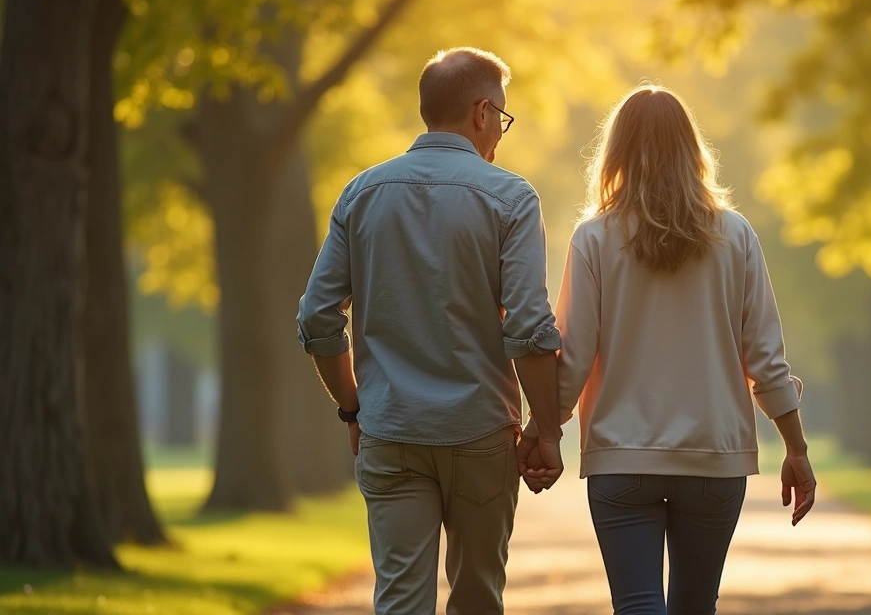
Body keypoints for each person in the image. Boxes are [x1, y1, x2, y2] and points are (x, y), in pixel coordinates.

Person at [520, 84, 818, 614]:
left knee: (637, 606)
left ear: (616, 153)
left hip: (621, 459)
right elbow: (766, 358)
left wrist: (545, 430)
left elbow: (574, 353)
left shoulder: (594, 238)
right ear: (691, 148)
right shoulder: (736, 235)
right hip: (714, 458)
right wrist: (795, 448)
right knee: (696, 607)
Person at [296, 47, 563, 615]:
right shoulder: (511, 198)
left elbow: (317, 315)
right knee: (477, 598)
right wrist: (547, 432)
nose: (500, 134)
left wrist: (353, 409)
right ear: (482, 112)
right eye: (503, 119)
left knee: (400, 600)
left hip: (391, 429)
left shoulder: (362, 193)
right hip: (481, 430)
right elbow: (531, 328)